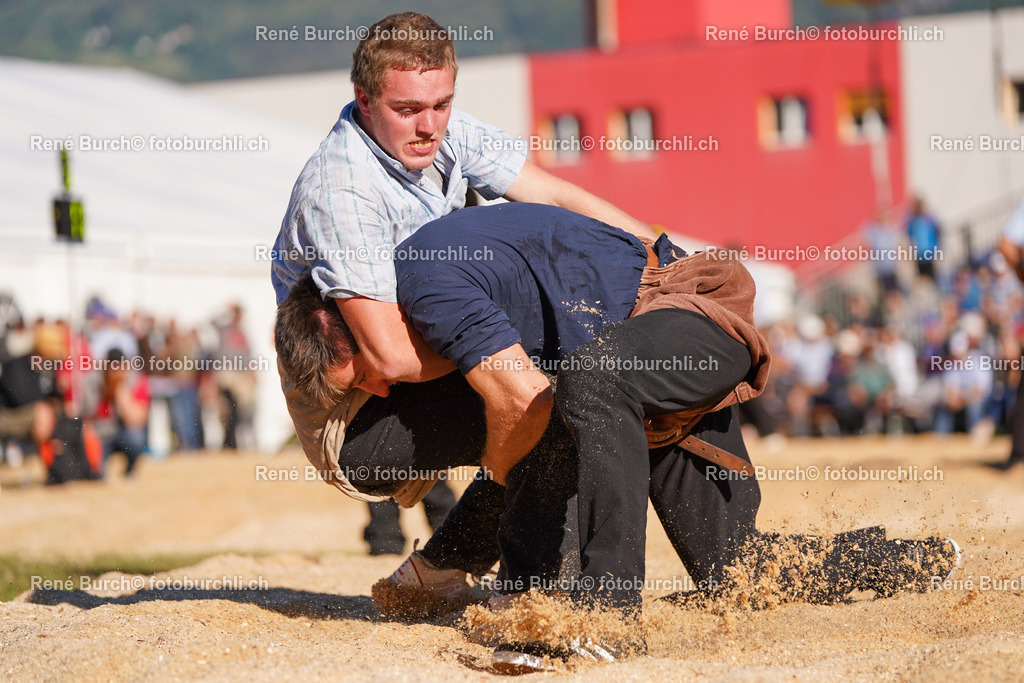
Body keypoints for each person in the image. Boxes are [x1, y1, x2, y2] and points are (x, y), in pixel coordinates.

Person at [275, 203, 962, 671]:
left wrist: (494, 569)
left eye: (364, 370)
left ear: (352, 320)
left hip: (684, 318)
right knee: (737, 572)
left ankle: (610, 607)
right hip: (624, 388)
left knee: (581, 383)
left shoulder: (427, 280)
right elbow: (526, 433)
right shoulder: (432, 321)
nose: (385, 386)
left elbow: (524, 413)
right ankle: (911, 558)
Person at [270, 12, 654, 558]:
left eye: (441, 105)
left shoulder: (436, 128)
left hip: (419, 348)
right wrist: (511, 349)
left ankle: (448, 563)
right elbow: (392, 358)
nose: (428, 125)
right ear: (363, 99)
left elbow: (551, 194)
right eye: (406, 110)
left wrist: (658, 251)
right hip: (353, 412)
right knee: (554, 403)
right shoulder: (341, 191)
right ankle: (511, 580)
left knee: (553, 393)